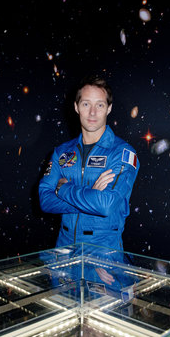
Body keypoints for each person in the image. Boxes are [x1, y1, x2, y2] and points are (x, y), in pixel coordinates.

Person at [38, 76, 139, 253]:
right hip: (64, 248)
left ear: (109, 108)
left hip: (103, 252)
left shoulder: (122, 153)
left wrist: (63, 189)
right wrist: (91, 194)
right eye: (86, 104)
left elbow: (105, 205)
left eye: (99, 105)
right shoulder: (61, 152)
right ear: (76, 107)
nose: (92, 112)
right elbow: (45, 201)